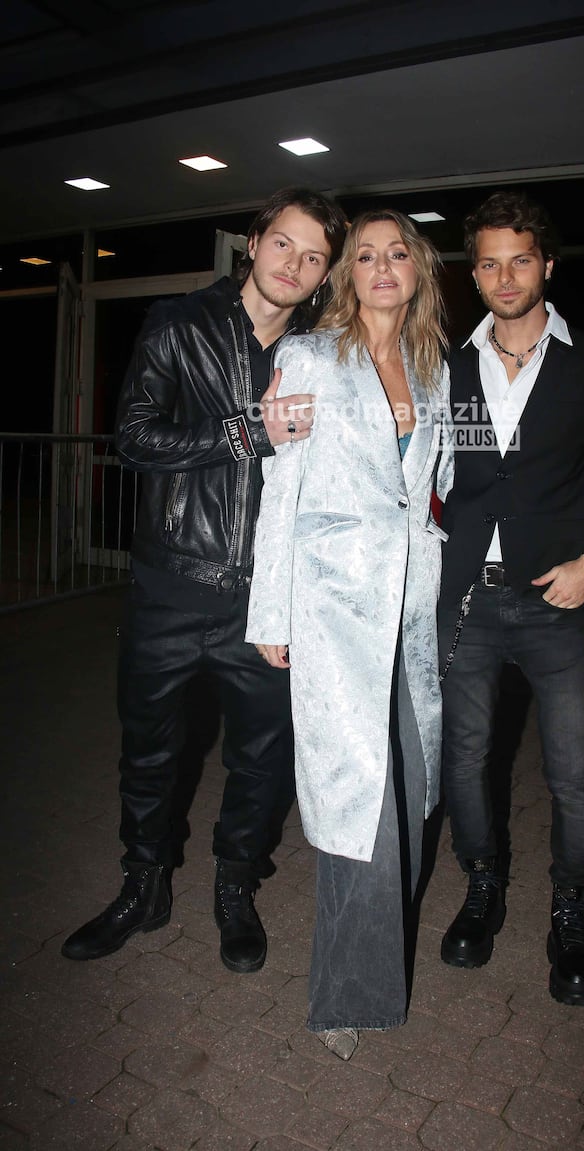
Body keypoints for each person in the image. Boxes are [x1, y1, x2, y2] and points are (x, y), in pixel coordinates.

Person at [61, 186, 348, 973]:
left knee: (260, 757)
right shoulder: (178, 322)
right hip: (172, 584)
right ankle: (143, 885)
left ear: (325, 275)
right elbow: (135, 438)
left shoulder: (323, 352)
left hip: (268, 597)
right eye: (284, 243)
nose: (295, 263)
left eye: (314, 255)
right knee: (149, 750)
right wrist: (251, 428)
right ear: (253, 242)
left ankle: (234, 886)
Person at [438, 190, 584, 1006]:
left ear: (547, 266)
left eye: (518, 259)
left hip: (557, 599)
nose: (503, 276)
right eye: (488, 262)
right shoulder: (446, 364)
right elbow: (429, 474)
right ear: (476, 271)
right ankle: (482, 883)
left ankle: (570, 911)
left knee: (571, 772)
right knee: (461, 760)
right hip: (465, 601)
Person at [245, 209, 453, 1059]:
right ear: (346, 274)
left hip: (413, 608)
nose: (379, 267)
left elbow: (440, 485)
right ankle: (348, 996)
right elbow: (279, 489)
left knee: (409, 787)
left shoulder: (436, 372)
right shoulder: (305, 357)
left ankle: (374, 959)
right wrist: (271, 613)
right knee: (354, 802)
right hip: (333, 611)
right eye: (362, 255)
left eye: (396, 253)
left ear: (417, 272)